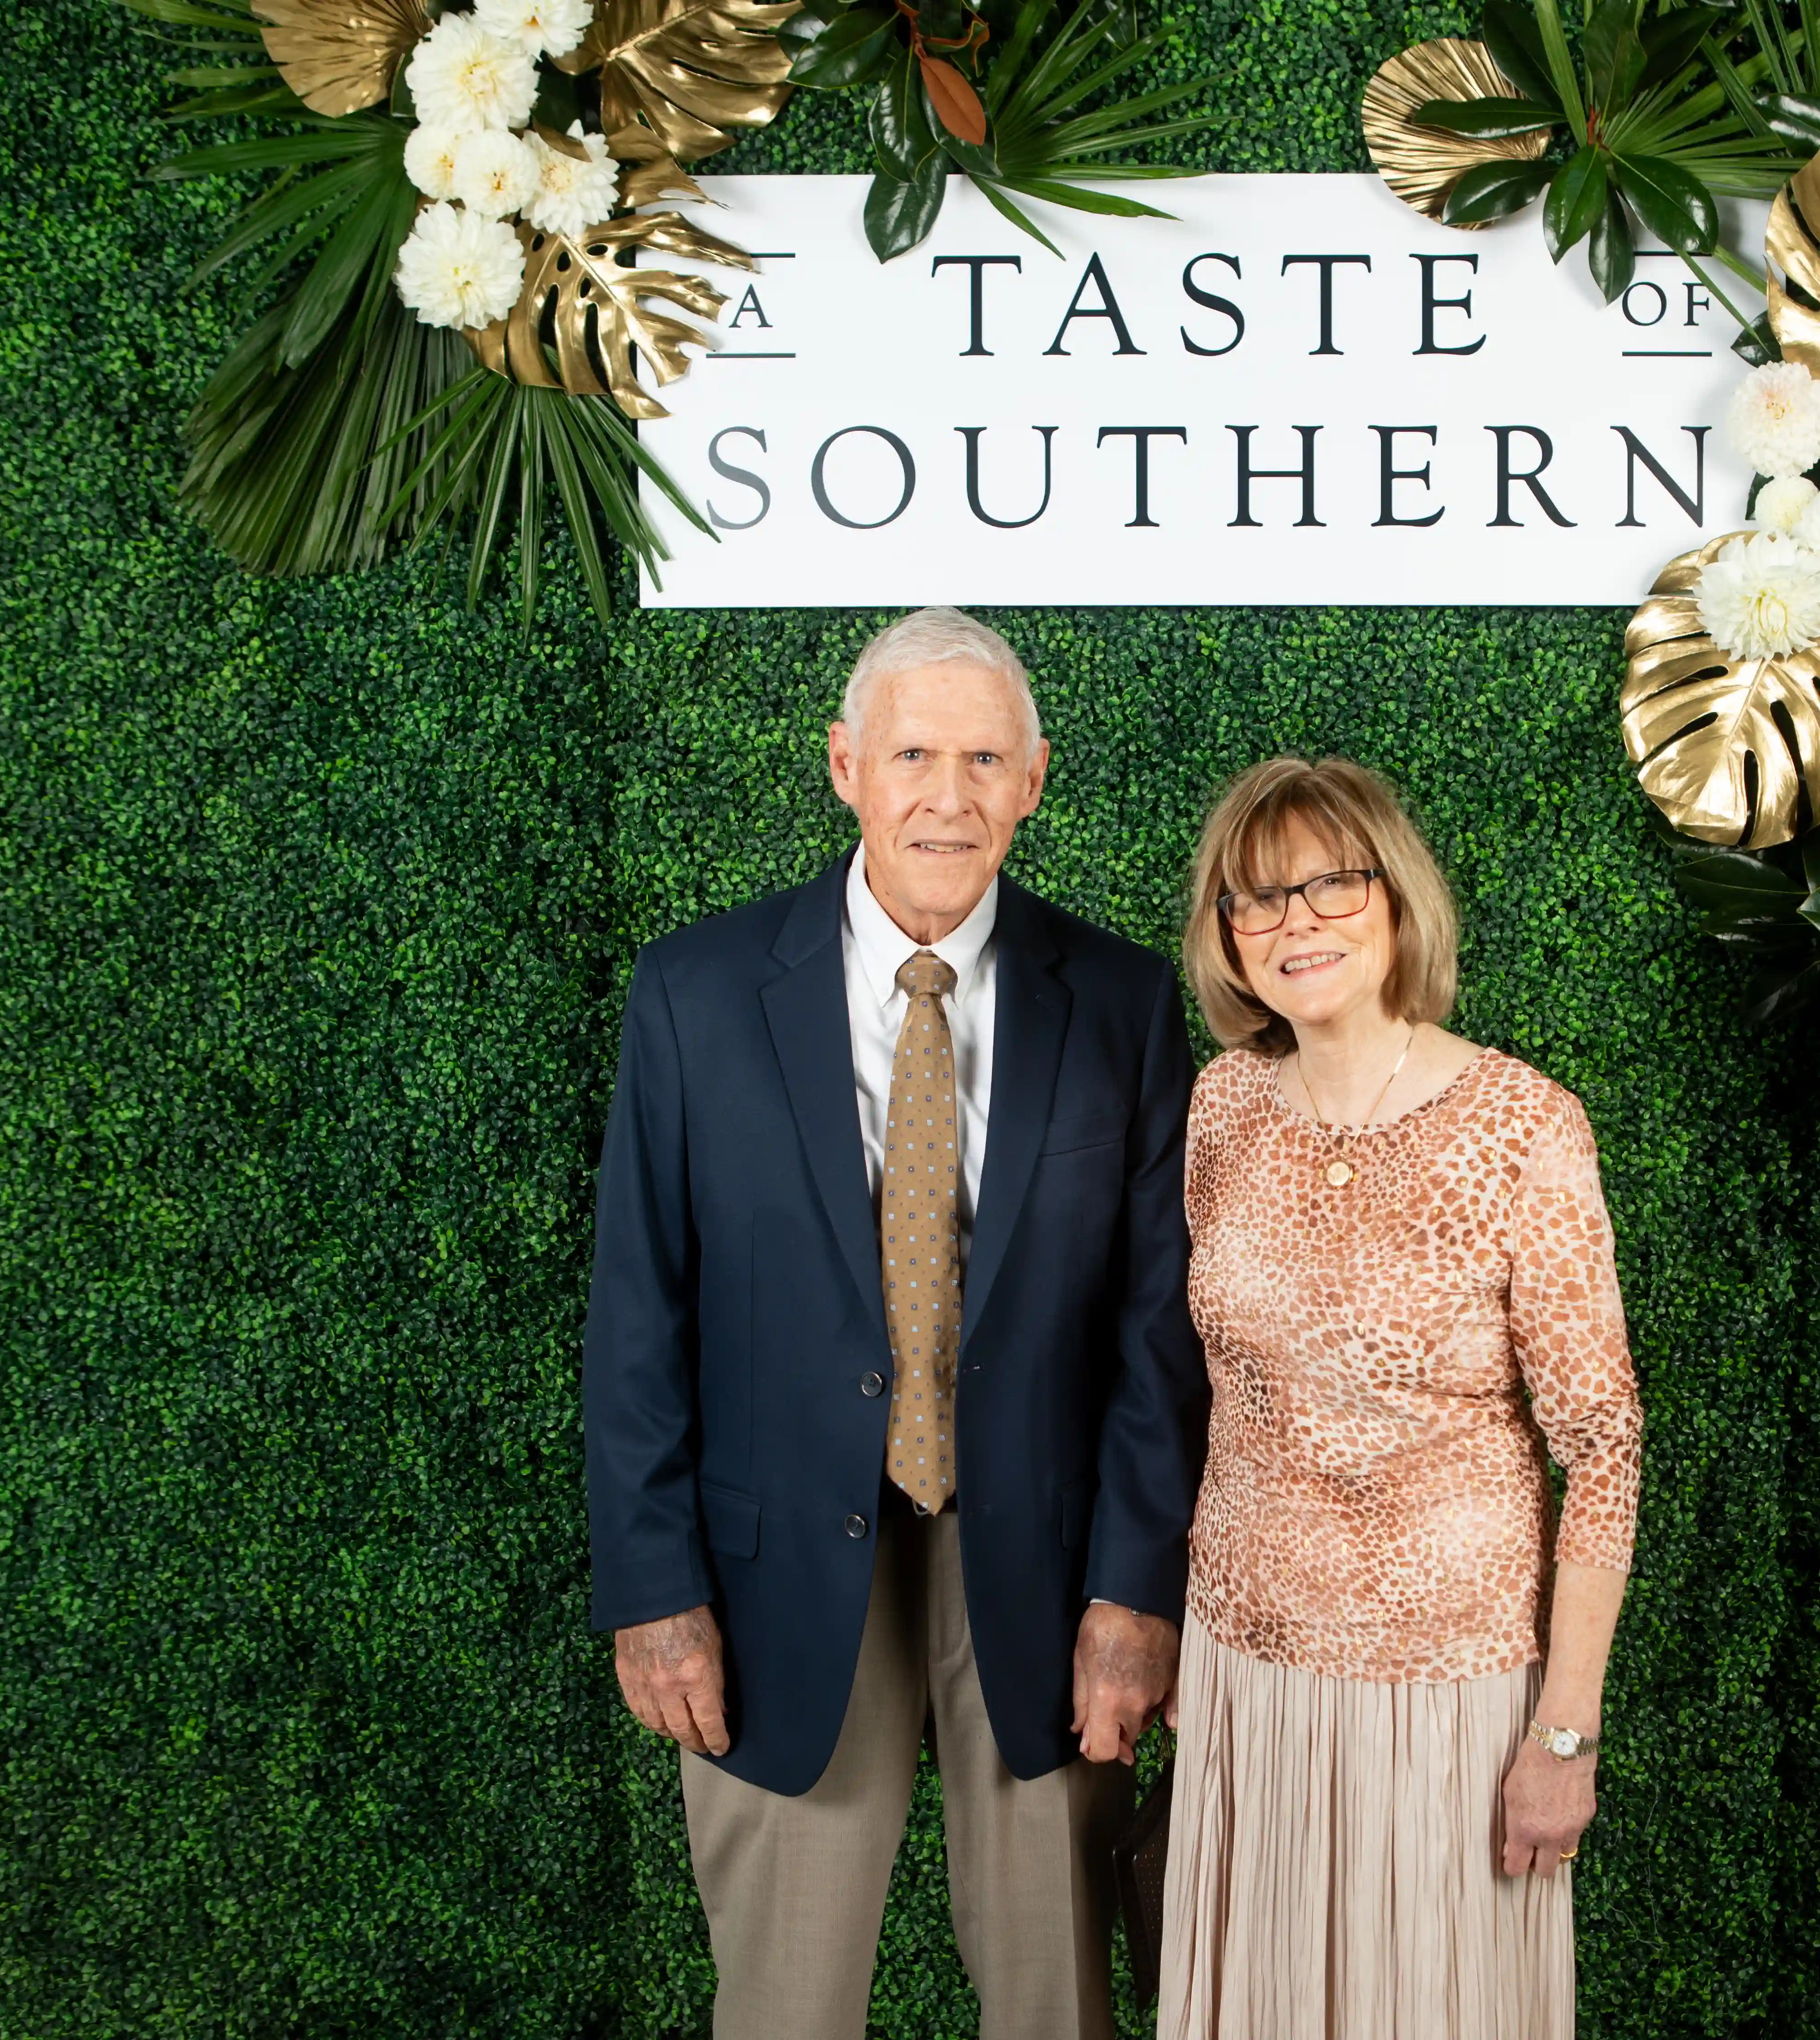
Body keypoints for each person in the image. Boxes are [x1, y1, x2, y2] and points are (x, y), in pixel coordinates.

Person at [581, 607, 1209, 2040]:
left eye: (984, 758)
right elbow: (639, 1311)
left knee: (1056, 1998)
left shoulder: (1118, 1003)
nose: (949, 793)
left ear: (1035, 779)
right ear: (844, 765)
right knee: (785, 2007)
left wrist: (1135, 1591)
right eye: (914, 752)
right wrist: (653, 1588)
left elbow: (1155, 1330)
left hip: (1045, 1567)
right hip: (768, 1566)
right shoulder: (694, 994)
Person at [1157, 756, 1643, 2040]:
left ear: (1397, 897)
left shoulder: (1524, 1127)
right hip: (1245, 1682)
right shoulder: (1220, 1111)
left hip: (1449, 1699)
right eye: (1256, 900)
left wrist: (1562, 1739)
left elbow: (1601, 1450)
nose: (1295, 921)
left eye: (1330, 882)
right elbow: (1212, 1392)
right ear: (1225, 940)